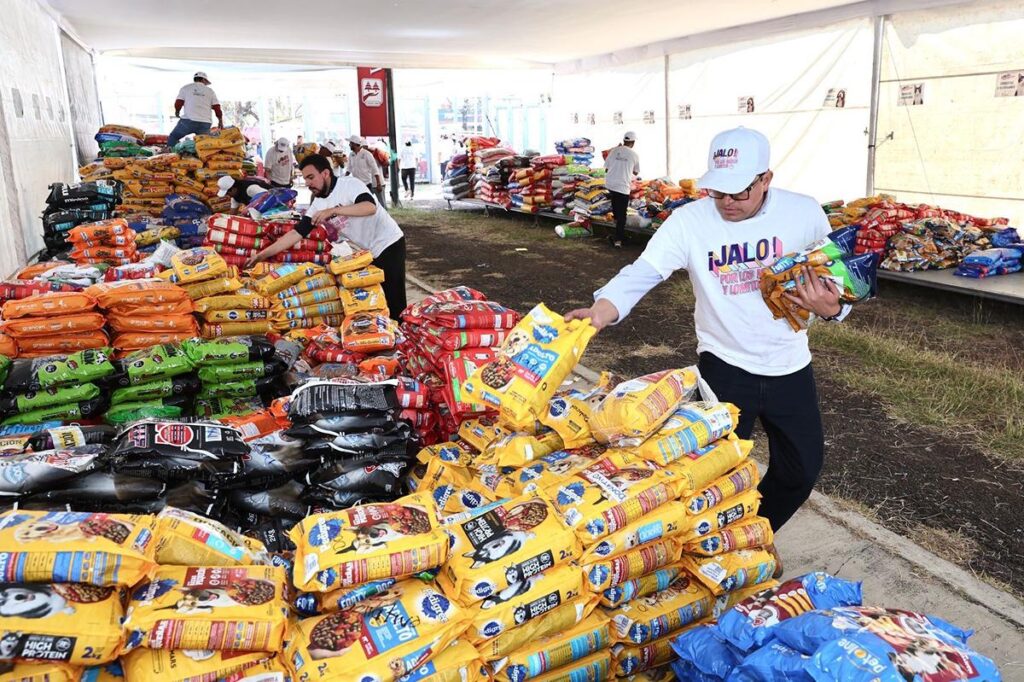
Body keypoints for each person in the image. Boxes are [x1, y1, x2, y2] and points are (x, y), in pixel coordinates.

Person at [566, 127, 851, 574]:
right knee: (713, 479)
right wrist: (604, 309)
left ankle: (757, 531)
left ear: (766, 179)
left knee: (801, 470)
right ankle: (716, 553)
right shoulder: (690, 221)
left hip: (790, 365)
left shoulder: (805, 213)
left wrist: (833, 310)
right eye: (717, 190)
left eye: (738, 191)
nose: (726, 202)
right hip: (723, 367)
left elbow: (838, 288)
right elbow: (646, 269)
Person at [244, 154, 407, 317]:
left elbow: (369, 207)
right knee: (378, 297)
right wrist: (262, 255)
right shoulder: (318, 204)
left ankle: (403, 334)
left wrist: (334, 210)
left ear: (326, 173)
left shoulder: (350, 185)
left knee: (394, 299)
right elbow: (296, 233)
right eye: (305, 179)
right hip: (369, 250)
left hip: (389, 242)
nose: (307, 183)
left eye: (311, 177)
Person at [604, 131, 640, 249]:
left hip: (610, 184)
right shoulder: (634, 155)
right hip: (622, 186)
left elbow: (606, 168)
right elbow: (636, 172)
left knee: (616, 211)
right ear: (633, 142)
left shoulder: (613, 151)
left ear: (624, 140)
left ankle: (618, 234)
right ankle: (618, 240)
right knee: (622, 215)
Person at [167, 72, 223, 148]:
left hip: (188, 121)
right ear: (203, 79)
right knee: (203, 145)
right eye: (206, 82)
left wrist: (177, 112)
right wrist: (220, 121)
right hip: (205, 123)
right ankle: (202, 158)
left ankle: (171, 155)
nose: (206, 84)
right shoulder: (210, 91)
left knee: (174, 137)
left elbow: (178, 103)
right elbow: (217, 108)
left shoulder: (186, 88)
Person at [348, 135, 385, 206]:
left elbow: (375, 169)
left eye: (350, 143)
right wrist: (344, 178)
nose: (349, 145)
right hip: (356, 184)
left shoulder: (367, 154)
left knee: (369, 203)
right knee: (358, 203)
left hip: (366, 184)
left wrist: (378, 183)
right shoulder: (351, 155)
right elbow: (349, 168)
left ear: (354, 144)